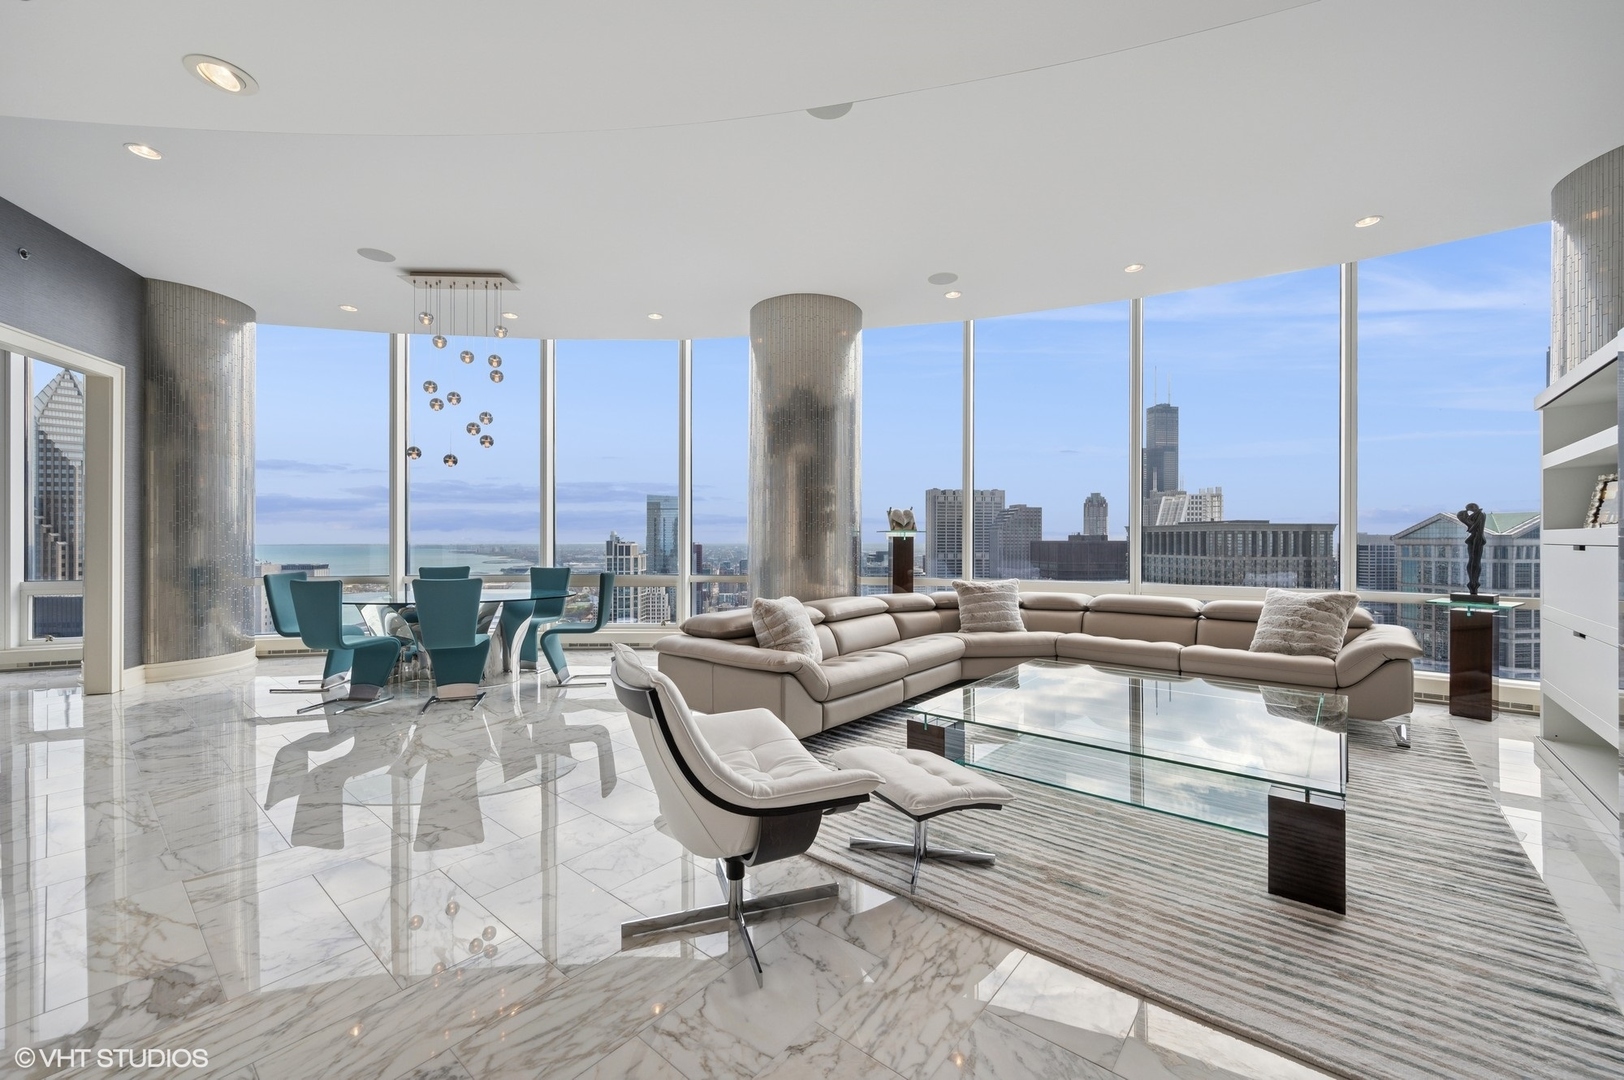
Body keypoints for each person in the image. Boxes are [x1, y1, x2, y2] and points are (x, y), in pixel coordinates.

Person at [1456, 502, 1487, 595]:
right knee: (1473, 560)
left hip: (1477, 540)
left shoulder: (1481, 515)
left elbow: (1478, 529)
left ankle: (1474, 583)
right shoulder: (1478, 516)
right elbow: (1474, 527)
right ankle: (1473, 582)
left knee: (1475, 561)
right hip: (1475, 540)